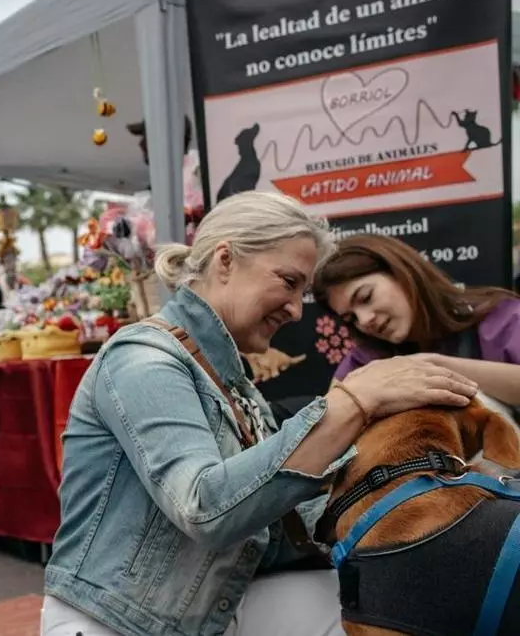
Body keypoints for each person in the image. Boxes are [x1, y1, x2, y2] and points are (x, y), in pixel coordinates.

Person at [41, 191, 479, 636]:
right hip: (113, 622)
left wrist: (433, 502)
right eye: (289, 282)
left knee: (392, 604)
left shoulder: (234, 384)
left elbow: (288, 522)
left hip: (205, 614)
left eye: (302, 292)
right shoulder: (142, 358)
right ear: (225, 260)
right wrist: (354, 402)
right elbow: (205, 510)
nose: (296, 310)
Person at [314, 233, 520, 407]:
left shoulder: (502, 318)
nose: (365, 320)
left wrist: (436, 366)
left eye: (366, 297)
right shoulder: (365, 358)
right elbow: (331, 421)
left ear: (402, 272)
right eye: (351, 318)